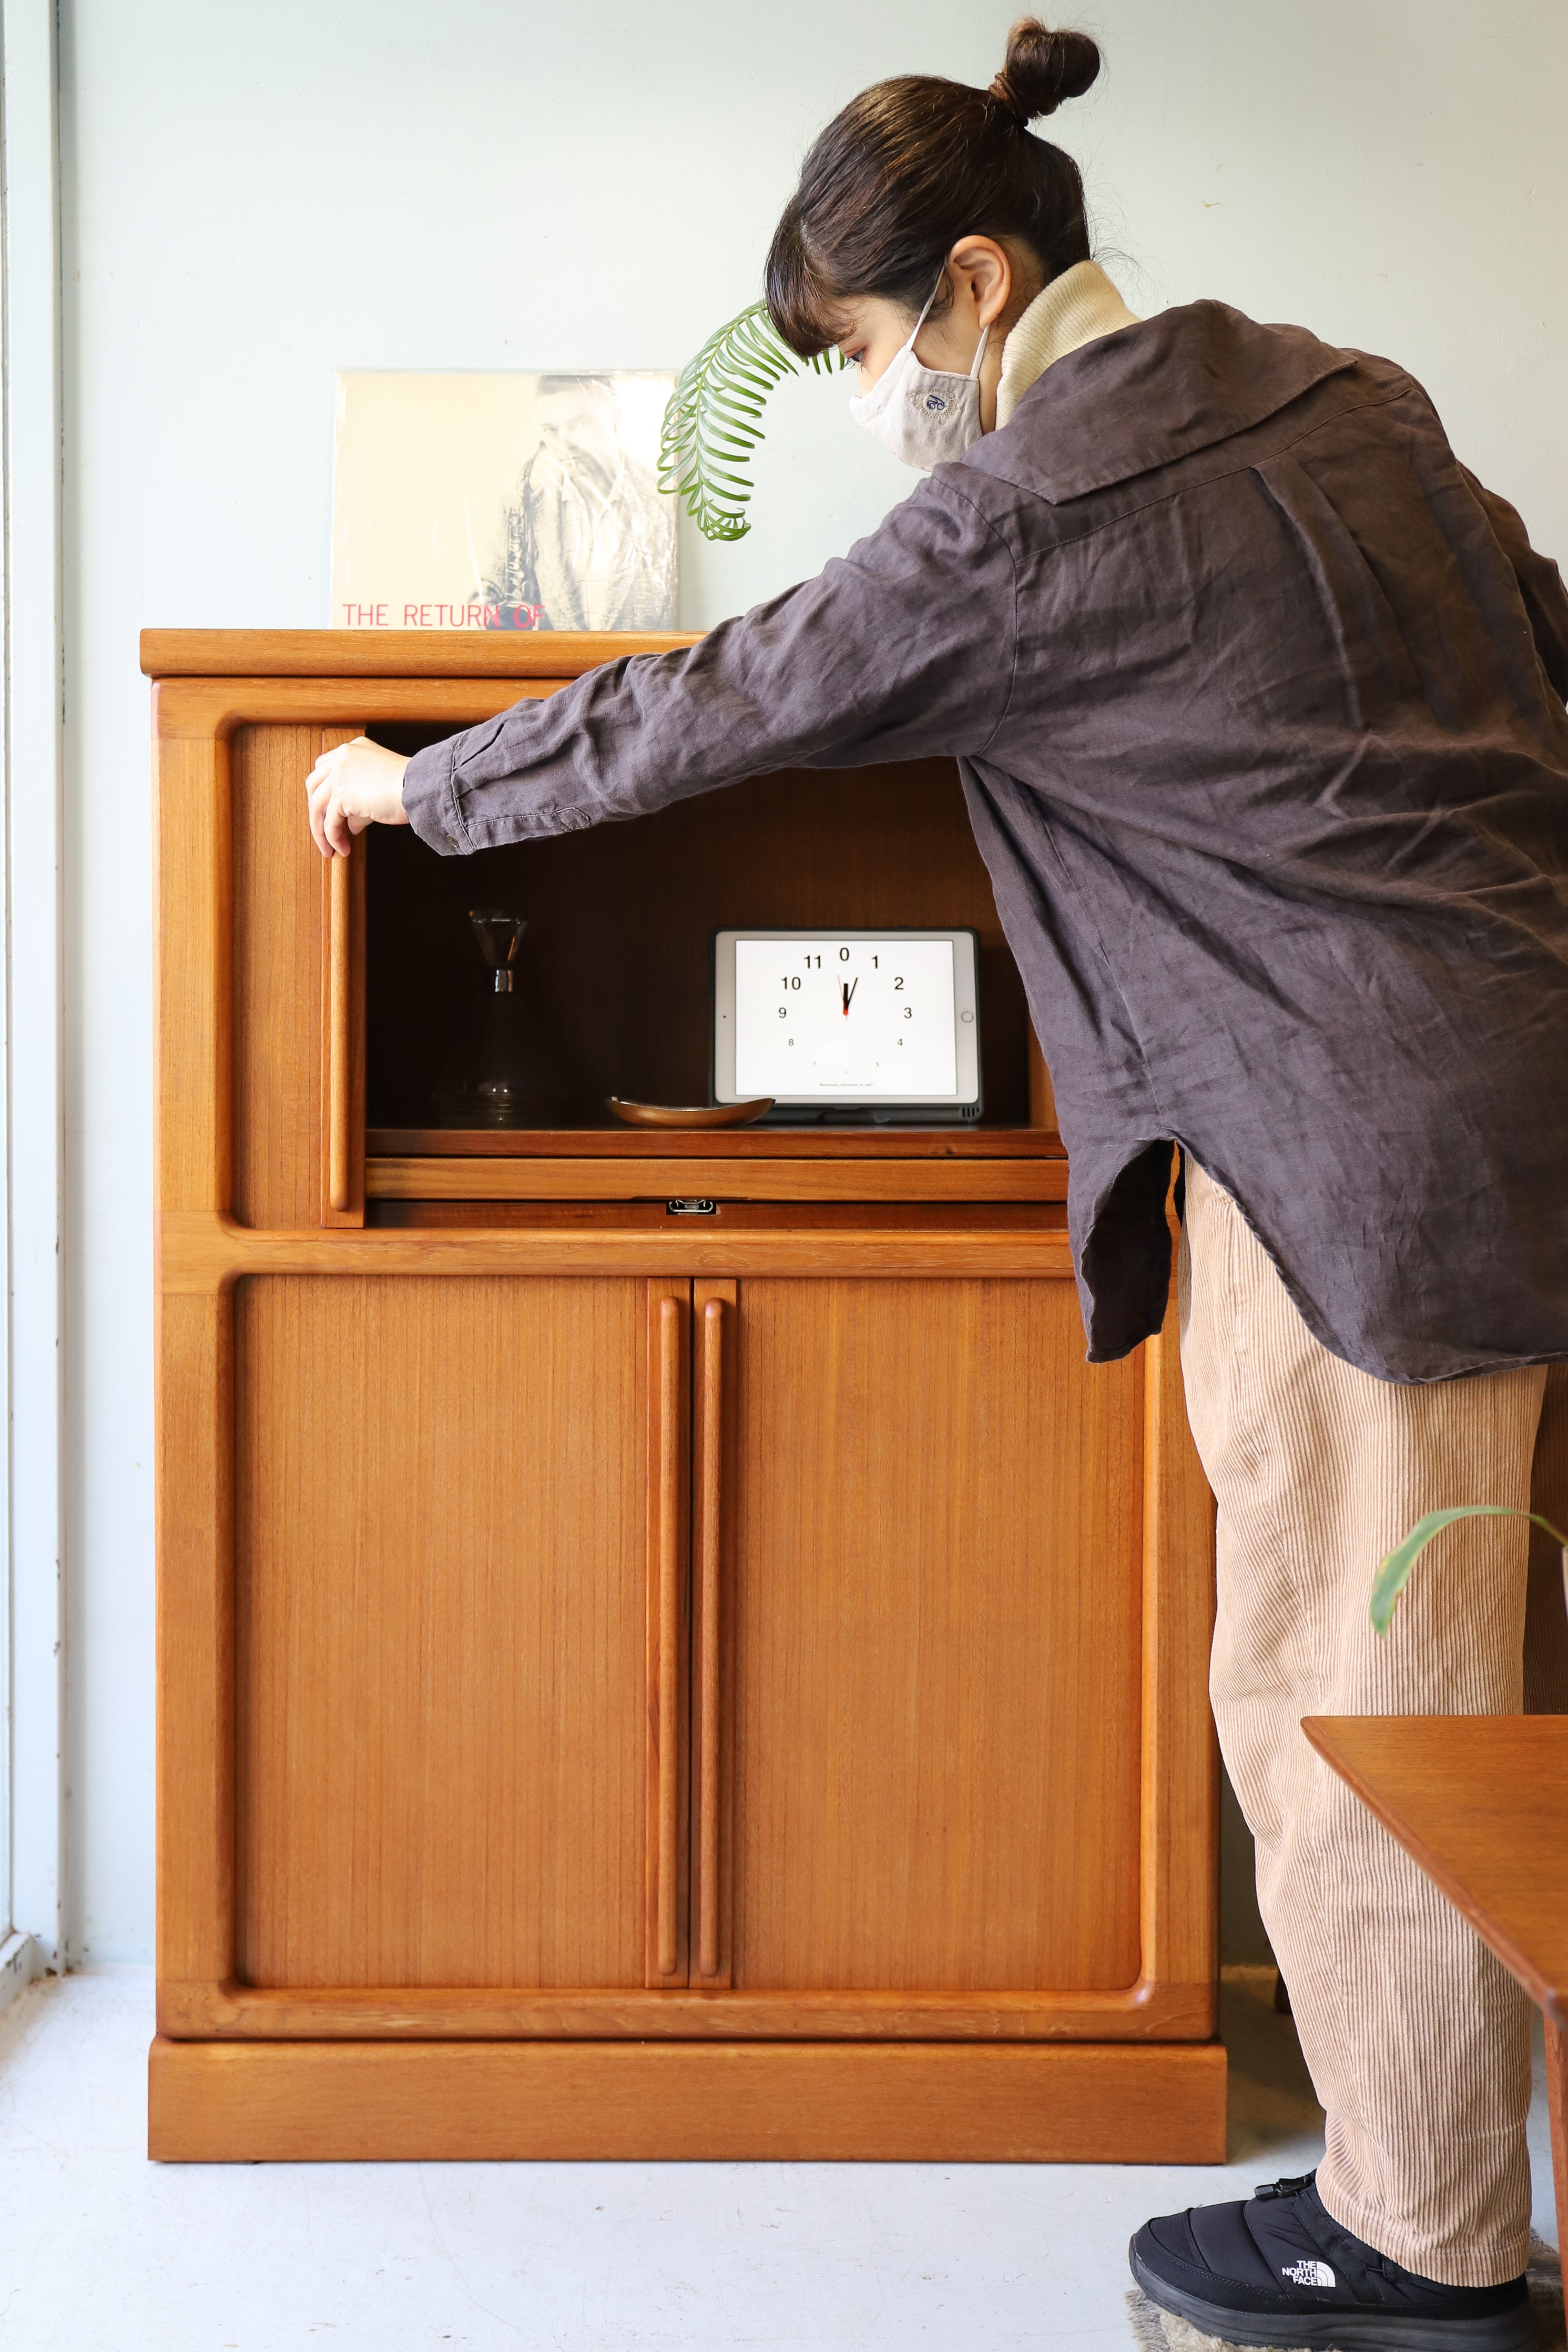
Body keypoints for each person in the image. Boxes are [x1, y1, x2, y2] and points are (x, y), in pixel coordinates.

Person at [307, 19, 1568, 2346]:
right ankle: (1435, 2191)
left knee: (1351, 1690)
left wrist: (417, 791)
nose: (881, 402)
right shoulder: (1346, 389)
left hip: (1345, 1165)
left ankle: (1425, 2252)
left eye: (874, 349)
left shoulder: (1022, 512)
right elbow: (1535, 630)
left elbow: (724, 695)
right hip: (1518, 1094)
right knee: (1486, 1704)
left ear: (977, 285)